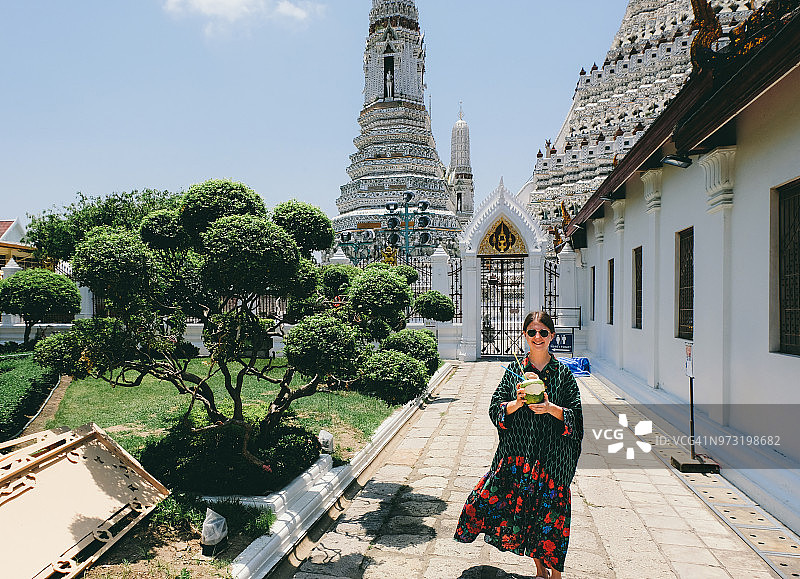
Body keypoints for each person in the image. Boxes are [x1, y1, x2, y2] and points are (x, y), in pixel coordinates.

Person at [454, 310, 583, 579]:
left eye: (543, 332)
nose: (538, 337)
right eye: (532, 332)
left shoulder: (563, 375)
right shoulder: (514, 370)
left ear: (552, 336)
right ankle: (539, 571)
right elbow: (494, 408)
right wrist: (516, 403)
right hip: (518, 457)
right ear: (525, 335)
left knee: (552, 518)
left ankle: (556, 575)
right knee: (524, 513)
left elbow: (576, 418)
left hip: (552, 460)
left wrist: (550, 408)